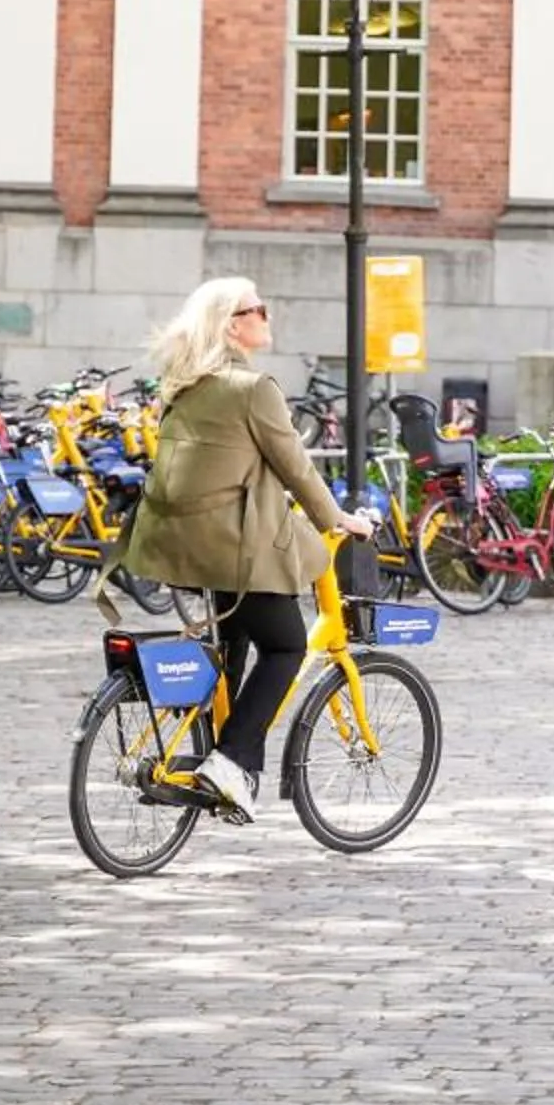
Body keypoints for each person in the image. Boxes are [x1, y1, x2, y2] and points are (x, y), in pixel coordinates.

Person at [116, 276, 376, 820]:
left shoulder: (185, 383)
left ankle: (212, 755)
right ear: (234, 324)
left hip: (180, 545)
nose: (269, 315)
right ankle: (231, 761)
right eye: (260, 308)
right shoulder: (253, 389)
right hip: (230, 547)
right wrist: (339, 519)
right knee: (285, 645)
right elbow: (296, 467)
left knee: (233, 640)